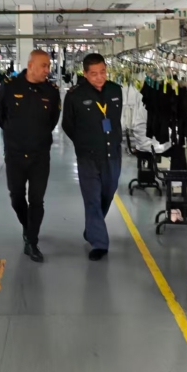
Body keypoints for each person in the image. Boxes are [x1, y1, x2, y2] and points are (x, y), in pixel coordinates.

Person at [0, 50, 60, 262]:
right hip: (15, 154)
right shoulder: (10, 87)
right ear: (30, 65)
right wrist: (14, 133)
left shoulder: (51, 91)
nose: (47, 70)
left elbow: (53, 120)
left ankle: (32, 241)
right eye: (43, 65)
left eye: (48, 66)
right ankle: (27, 226)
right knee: (16, 197)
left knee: (37, 200)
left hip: (40, 155)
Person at [61, 53, 123, 261]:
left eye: (103, 72)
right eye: (94, 74)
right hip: (88, 157)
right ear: (85, 74)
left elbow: (115, 120)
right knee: (92, 199)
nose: (100, 77)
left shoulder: (115, 91)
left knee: (108, 193)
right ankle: (99, 242)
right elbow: (67, 124)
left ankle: (92, 228)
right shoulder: (75, 95)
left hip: (112, 155)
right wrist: (83, 143)